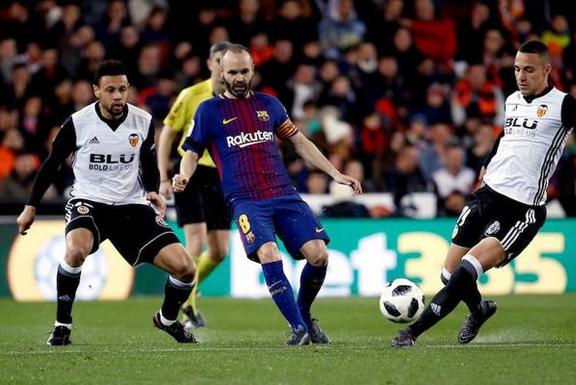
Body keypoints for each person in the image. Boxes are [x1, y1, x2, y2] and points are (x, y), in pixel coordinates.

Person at [391, 40, 576, 347]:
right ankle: (479, 310)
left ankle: (411, 332)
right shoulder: (513, 99)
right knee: (449, 275)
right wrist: (487, 162)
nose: (521, 76)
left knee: (465, 270)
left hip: (522, 208)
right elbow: (505, 133)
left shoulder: (563, 105)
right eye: (517, 69)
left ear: (546, 70)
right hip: (487, 194)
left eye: (529, 69)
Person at [172, 44, 362, 345]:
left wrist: (335, 174)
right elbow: (192, 152)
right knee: (269, 253)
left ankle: (303, 315)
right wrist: (183, 175)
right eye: (232, 71)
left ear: (252, 71)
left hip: (284, 193)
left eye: (244, 71)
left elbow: (300, 144)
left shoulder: (270, 105)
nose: (238, 77)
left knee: (319, 255)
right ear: (221, 71)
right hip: (246, 199)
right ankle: (299, 329)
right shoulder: (208, 110)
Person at [16, 60, 198, 346]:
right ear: (96, 91)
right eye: (110, 90)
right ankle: (62, 325)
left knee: (186, 268)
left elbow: (147, 161)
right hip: (89, 202)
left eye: (123, 89)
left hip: (131, 206)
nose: (118, 96)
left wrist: (152, 190)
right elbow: (51, 165)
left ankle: (167, 319)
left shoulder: (143, 121)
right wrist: (31, 206)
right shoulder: (78, 123)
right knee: (76, 251)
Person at [157, 41, 231, 329]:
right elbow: (168, 133)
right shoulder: (192, 94)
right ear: (211, 63)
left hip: (222, 176)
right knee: (196, 243)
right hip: (191, 172)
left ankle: (188, 286)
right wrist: (164, 175)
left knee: (219, 251)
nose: (223, 67)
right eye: (219, 61)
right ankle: (186, 302)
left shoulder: (236, 99)